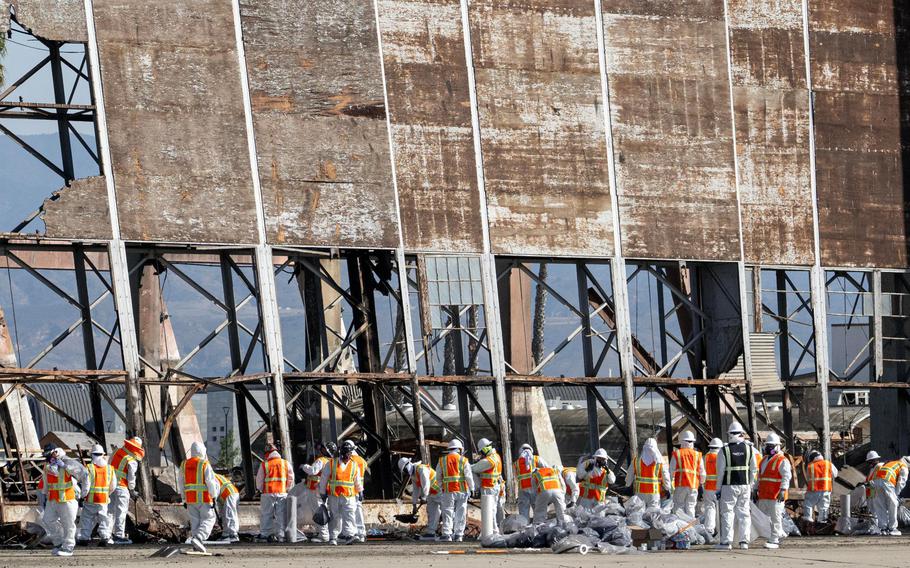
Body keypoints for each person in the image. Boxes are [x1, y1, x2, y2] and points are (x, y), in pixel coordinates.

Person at [714, 421, 760, 550]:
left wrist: (718, 489)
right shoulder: (750, 449)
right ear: (741, 434)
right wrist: (750, 485)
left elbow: (720, 472)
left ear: (729, 435)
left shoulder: (724, 450)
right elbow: (754, 469)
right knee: (744, 513)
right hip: (745, 486)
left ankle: (726, 542)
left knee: (727, 513)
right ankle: (744, 542)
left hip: (729, 486)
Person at [41, 447, 86, 556]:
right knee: (48, 520)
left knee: (68, 524)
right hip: (53, 499)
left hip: (67, 499)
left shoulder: (67, 463)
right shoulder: (48, 466)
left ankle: (68, 547)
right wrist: (44, 495)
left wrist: (64, 465)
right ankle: (59, 542)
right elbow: (46, 481)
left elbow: (81, 474)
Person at [319, 439, 363, 545]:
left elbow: (357, 480)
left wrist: (360, 491)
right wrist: (322, 492)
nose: (348, 456)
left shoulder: (354, 465)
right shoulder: (331, 464)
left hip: (349, 496)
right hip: (334, 495)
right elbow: (324, 479)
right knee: (335, 516)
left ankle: (349, 535)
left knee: (350, 515)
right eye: (347, 453)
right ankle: (333, 537)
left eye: (349, 453)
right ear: (342, 453)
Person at [178, 442, 219, 547]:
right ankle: (199, 538)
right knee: (209, 519)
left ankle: (196, 543)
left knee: (195, 522)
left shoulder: (184, 464)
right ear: (202, 451)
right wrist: (213, 496)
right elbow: (210, 481)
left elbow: (181, 483)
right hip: (204, 498)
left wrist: (184, 499)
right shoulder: (204, 463)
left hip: (190, 500)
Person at [756, 433, 791, 549]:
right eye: (768, 445)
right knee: (764, 518)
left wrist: (783, 490)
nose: (769, 448)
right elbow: (759, 476)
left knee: (775, 517)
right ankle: (777, 534)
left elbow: (786, 476)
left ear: (778, 446)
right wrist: (755, 488)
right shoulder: (764, 459)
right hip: (764, 494)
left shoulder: (782, 460)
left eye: (771, 446)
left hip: (776, 495)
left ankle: (775, 539)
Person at [435, 438, 474, 542]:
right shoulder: (463, 460)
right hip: (462, 490)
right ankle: (459, 535)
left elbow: (437, 476)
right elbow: (468, 476)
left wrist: (441, 487)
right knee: (461, 512)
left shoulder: (442, 460)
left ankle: (447, 534)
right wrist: (472, 488)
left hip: (448, 491)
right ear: (459, 449)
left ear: (450, 449)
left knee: (447, 512)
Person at [77, 444, 116, 545]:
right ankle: (105, 538)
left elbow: (86, 485)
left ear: (92, 455)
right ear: (103, 454)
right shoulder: (110, 468)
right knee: (103, 519)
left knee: (86, 519)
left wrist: (83, 496)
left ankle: (84, 538)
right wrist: (106, 494)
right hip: (103, 500)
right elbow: (113, 486)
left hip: (91, 499)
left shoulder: (89, 468)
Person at [109, 436, 144, 544]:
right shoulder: (131, 460)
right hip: (121, 487)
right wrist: (132, 490)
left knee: (110, 511)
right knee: (121, 512)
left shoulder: (116, 452)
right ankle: (119, 536)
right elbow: (131, 477)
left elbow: (108, 465)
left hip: (110, 486)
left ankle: (107, 535)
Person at [256, 443, 294, 542]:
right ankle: (280, 535)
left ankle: (265, 534)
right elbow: (291, 478)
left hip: (268, 493)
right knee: (281, 515)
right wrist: (286, 488)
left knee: (266, 514)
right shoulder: (285, 463)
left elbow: (259, 480)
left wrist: (260, 489)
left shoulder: (265, 464)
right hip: (282, 492)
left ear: (268, 453)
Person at [298, 442, 334, 543]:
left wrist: (303, 466)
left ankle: (324, 536)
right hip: (325, 490)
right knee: (324, 511)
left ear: (325, 450)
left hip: (315, 489)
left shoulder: (321, 460)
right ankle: (326, 533)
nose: (320, 449)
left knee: (319, 512)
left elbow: (313, 471)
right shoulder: (332, 461)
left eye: (322, 448)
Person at [398, 457, 442, 539]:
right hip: (431, 494)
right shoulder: (414, 475)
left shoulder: (421, 469)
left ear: (408, 465)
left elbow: (426, 483)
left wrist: (424, 497)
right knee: (432, 512)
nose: (405, 472)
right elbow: (416, 490)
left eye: (405, 470)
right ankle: (431, 532)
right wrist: (414, 505)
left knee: (446, 511)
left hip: (440, 491)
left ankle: (450, 532)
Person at [625, 438, 671, 508]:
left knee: (639, 514)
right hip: (654, 494)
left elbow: (629, 475)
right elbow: (666, 476)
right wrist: (667, 488)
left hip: (639, 493)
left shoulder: (636, 461)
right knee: (653, 515)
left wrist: (628, 484)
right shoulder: (660, 461)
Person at [471, 438, 503, 534]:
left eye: (481, 452)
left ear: (484, 449)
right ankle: (494, 530)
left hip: (489, 487)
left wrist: (466, 465)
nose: (481, 454)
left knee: (490, 510)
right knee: (494, 509)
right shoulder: (496, 456)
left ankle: (493, 531)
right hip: (494, 486)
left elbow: (475, 468)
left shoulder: (488, 461)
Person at [870, 456, 909, 535]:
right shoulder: (903, 466)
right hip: (887, 481)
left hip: (877, 481)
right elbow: (901, 482)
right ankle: (893, 528)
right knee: (893, 504)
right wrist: (896, 494)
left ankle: (883, 528)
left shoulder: (892, 463)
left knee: (880, 505)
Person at [670, 430, 705, 518]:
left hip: (680, 485)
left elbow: (670, 471)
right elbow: (702, 473)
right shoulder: (697, 455)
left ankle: (681, 528)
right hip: (693, 486)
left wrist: (668, 485)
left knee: (679, 507)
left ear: (681, 441)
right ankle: (690, 528)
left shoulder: (677, 454)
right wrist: (701, 483)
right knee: (690, 507)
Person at [802, 449, 837, 525]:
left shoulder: (810, 466)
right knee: (824, 507)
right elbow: (835, 474)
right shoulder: (828, 464)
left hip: (813, 490)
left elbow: (808, 478)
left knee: (808, 504)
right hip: (826, 490)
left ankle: (808, 521)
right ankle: (822, 523)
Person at [513, 443, 546, 520]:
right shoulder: (536, 459)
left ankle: (525, 528)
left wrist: (515, 494)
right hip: (535, 488)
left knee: (523, 511)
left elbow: (515, 479)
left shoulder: (516, 463)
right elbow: (547, 468)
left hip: (522, 489)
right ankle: (540, 526)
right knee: (537, 509)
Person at [702, 437, 723, 540]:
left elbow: (702, 473)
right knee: (720, 510)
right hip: (719, 488)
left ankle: (709, 530)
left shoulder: (705, 457)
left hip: (708, 488)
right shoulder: (721, 456)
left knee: (710, 508)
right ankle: (720, 531)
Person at [348, 441, 369, 543]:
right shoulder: (362, 460)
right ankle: (361, 533)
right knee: (358, 510)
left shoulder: (350, 460)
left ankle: (355, 533)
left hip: (351, 489)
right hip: (359, 488)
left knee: (350, 512)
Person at [214, 472, 240, 543]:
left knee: (230, 514)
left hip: (229, 494)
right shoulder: (215, 475)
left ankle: (233, 535)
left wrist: (212, 499)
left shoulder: (211, 476)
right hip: (225, 495)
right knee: (224, 515)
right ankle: (226, 534)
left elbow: (214, 490)